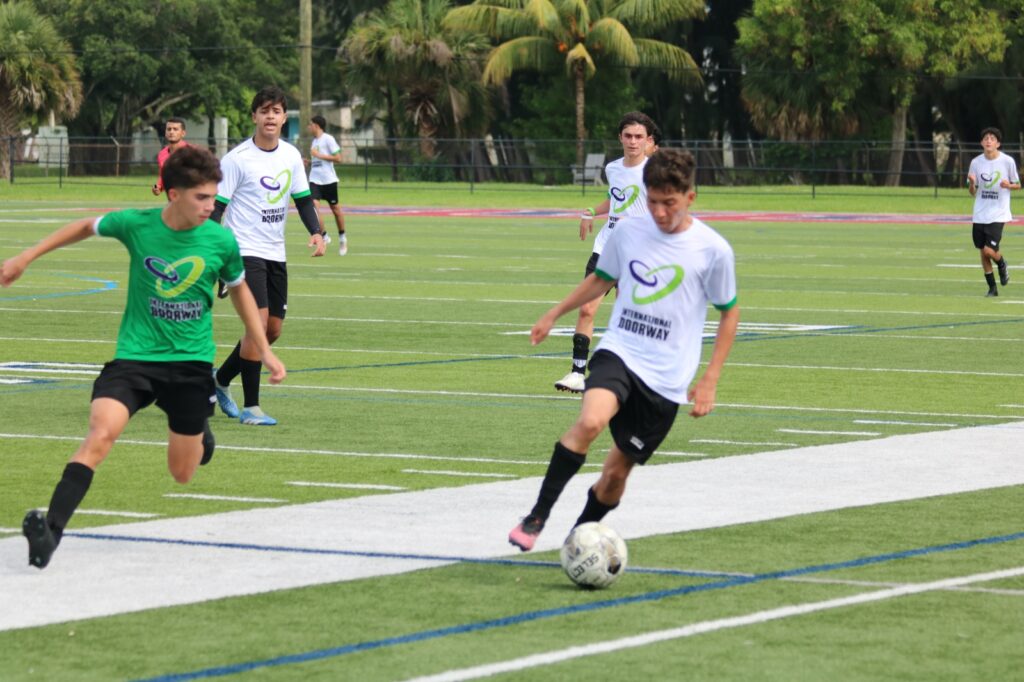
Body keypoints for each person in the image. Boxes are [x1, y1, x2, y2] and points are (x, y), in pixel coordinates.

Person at [1, 146, 286, 570]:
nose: (211, 206)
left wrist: (263, 349)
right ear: (173, 194)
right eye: (201, 197)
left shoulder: (221, 240)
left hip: (190, 366)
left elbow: (241, 290)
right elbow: (83, 226)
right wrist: (25, 258)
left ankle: (200, 432)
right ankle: (50, 532)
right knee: (100, 435)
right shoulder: (137, 224)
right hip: (135, 359)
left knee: (182, 473)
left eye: (213, 196)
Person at [509, 148, 739, 552]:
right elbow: (601, 279)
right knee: (590, 422)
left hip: (666, 379)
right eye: (653, 201)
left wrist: (711, 378)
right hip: (621, 351)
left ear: (690, 197)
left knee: (615, 476)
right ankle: (537, 516)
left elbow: (729, 313)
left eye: (669, 203)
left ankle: (578, 539)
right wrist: (555, 313)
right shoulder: (629, 232)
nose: (660, 212)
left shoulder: (712, 250)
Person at [210, 86, 325, 426]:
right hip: (243, 251)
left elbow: (303, 199)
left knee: (272, 330)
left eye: (276, 111)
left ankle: (219, 380)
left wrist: (316, 232)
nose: (270, 117)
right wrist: (214, 255)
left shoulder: (290, 156)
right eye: (264, 111)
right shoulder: (236, 159)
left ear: (284, 117)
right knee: (257, 324)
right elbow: (217, 209)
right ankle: (252, 407)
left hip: (275, 251)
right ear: (254, 117)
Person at [554, 111, 660, 393]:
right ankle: (577, 374)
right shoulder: (613, 168)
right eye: (628, 136)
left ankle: (633, 376)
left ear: (648, 140)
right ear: (620, 138)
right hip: (605, 248)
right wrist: (591, 211)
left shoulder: (655, 173)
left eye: (638, 136)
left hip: (637, 253)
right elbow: (616, 199)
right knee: (587, 309)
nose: (633, 141)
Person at [967, 127, 1019, 297]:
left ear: (998, 143)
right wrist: (972, 183)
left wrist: (1009, 185)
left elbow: (1018, 184)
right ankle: (992, 288)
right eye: (986, 138)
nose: (989, 141)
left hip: (998, 212)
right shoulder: (976, 163)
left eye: (992, 138)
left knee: (990, 251)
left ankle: (1002, 264)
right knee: (983, 252)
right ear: (981, 143)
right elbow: (972, 192)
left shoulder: (1007, 161)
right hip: (980, 213)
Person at [307, 114, 348, 255]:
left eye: (310, 124)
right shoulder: (314, 141)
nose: (309, 127)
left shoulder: (328, 139)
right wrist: (309, 161)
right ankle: (324, 235)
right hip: (315, 180)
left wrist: (318, 155)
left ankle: (342, 237)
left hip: (328, 180)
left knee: (335, 210)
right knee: (314, 208)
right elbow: (318, 162)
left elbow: (338, 158)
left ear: (316, 126)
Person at [151, 117, 191, 196]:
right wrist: (158, 187)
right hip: (174, 200)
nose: (171, 132)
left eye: (175, 129)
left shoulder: (192, 152)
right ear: (165, 133)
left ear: (183, 133)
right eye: (169, 129)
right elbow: (163, 176)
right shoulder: (162, 154)